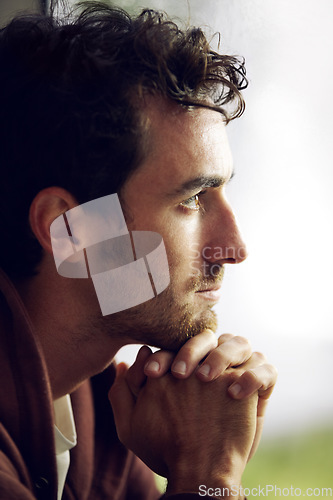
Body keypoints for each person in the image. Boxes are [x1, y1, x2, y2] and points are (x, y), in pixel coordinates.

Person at [0, 2, 277, 499]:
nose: (234, 248)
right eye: (191, 199)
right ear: (73, 229)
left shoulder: (104, 403)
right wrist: (205, 475)